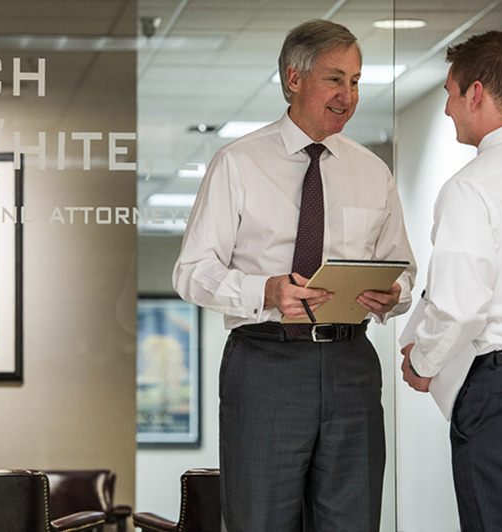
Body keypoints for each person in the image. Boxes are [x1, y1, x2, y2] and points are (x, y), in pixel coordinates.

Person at [172, 19, 416, 532]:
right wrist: (263, 291)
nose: (348, 95)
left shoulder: (372, 171)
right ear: (294, 78)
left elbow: (405, 271)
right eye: (334, 79)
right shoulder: (237, 163)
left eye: (355, 81)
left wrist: (394, 294)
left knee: (354, 520)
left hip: (352, 365)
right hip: (266, 363)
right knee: (260, 520)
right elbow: (191, 272)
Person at [400, 30, 502, 532]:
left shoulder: (472, 186)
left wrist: (423, 362)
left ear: (476, 93)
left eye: (449, 93)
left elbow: (459, 306)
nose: (446, 109)